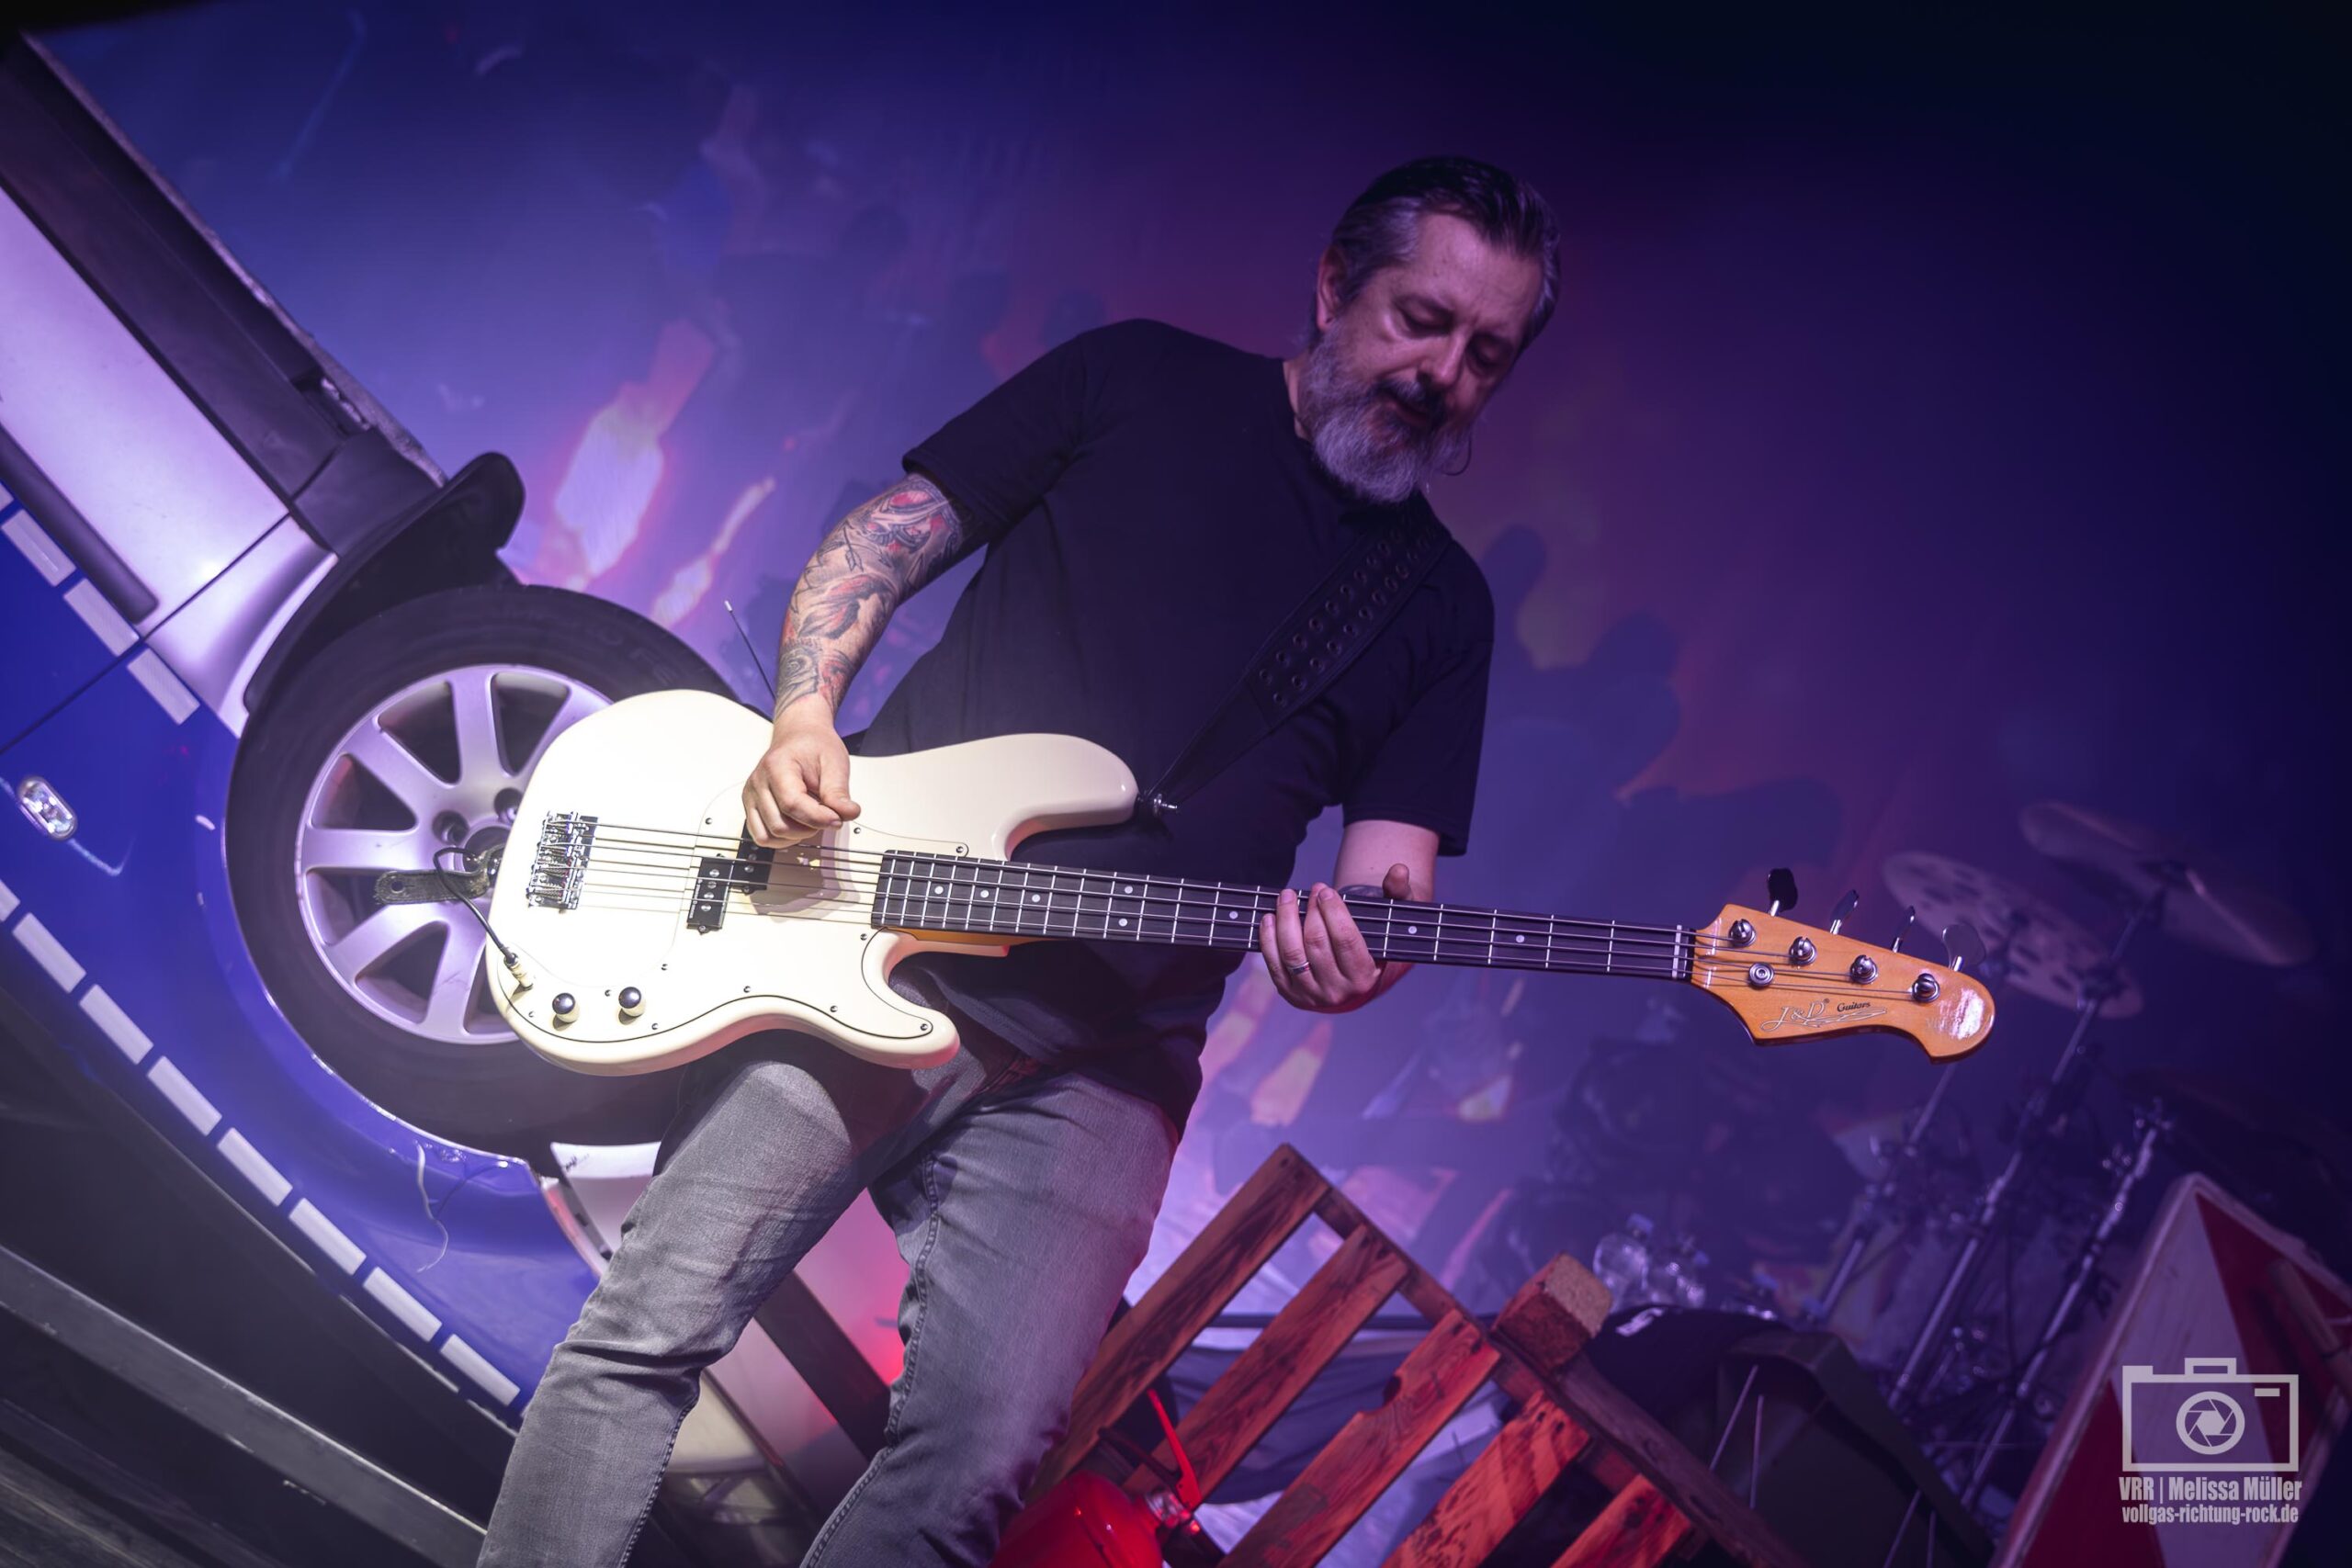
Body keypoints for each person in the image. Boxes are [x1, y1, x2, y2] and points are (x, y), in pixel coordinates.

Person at [479, 153, 1560, 1567]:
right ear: (1334, 283)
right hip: (869, 941)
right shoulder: (1137, 379)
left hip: (1110, 1064)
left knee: (969, 1486)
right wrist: (803, 714)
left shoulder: (1440, 607)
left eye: (1487, 355)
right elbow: (885, 540)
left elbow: (1388, 882)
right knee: (650, 1330)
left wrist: (1355, 955)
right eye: (1424, 321)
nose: (1444, 375)